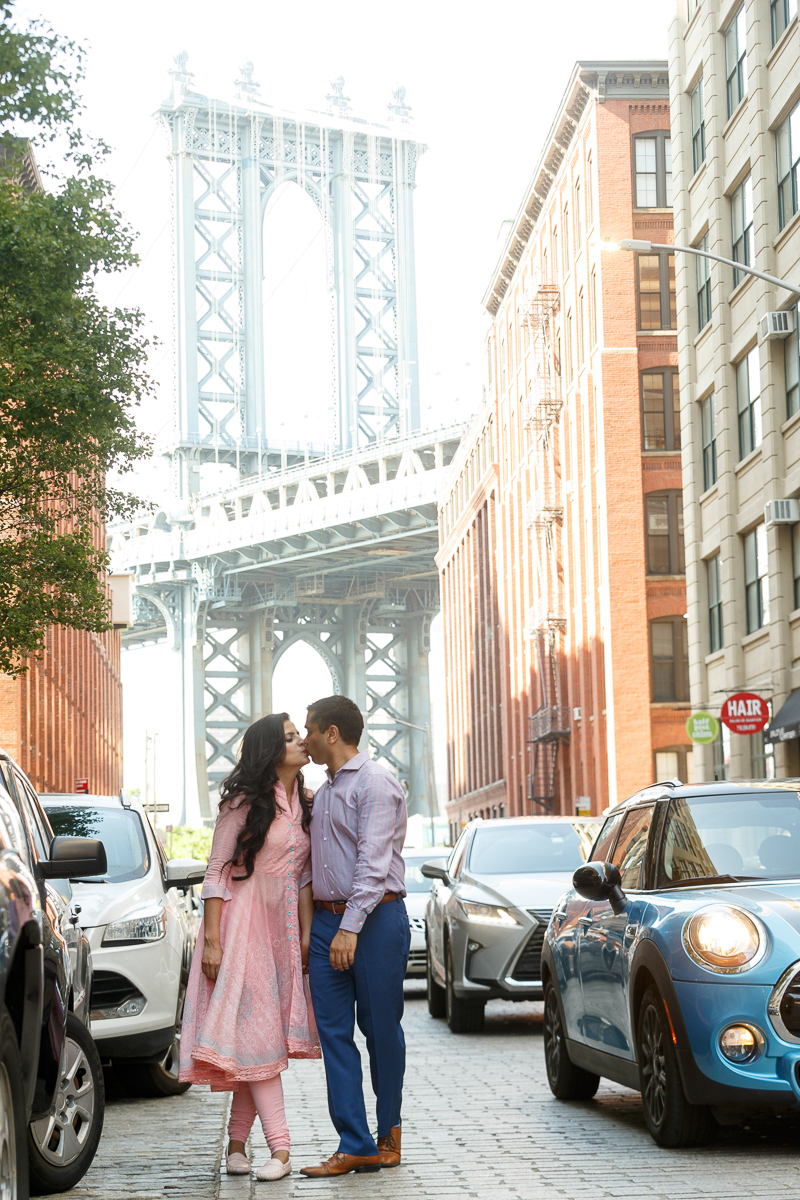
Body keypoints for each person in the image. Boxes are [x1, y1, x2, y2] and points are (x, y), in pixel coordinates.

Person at [180, 713, 321, 1181]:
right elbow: (217, 870)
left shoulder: (303, 800)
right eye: (290, 737)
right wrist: (214, 942)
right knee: (259, 1037)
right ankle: (281, 1150)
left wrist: (303, 937)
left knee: (253, 1040)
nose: (301, 741)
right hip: (241, 930)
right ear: (269, 750)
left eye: (300, 735)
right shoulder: (242, 803)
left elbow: (301, 876)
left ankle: (236, 1144)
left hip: (279, 934)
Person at [300, 695, 410, 1179]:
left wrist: (349, 927)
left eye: (309, 729)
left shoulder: (376, 782)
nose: (303, 739)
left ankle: (389, 1132)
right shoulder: (322, 793)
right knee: (334, 1036)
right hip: (327, 923)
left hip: (375, 921)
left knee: (380, 1029)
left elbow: (372, 865)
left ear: (331, 734)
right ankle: (355, 1143)